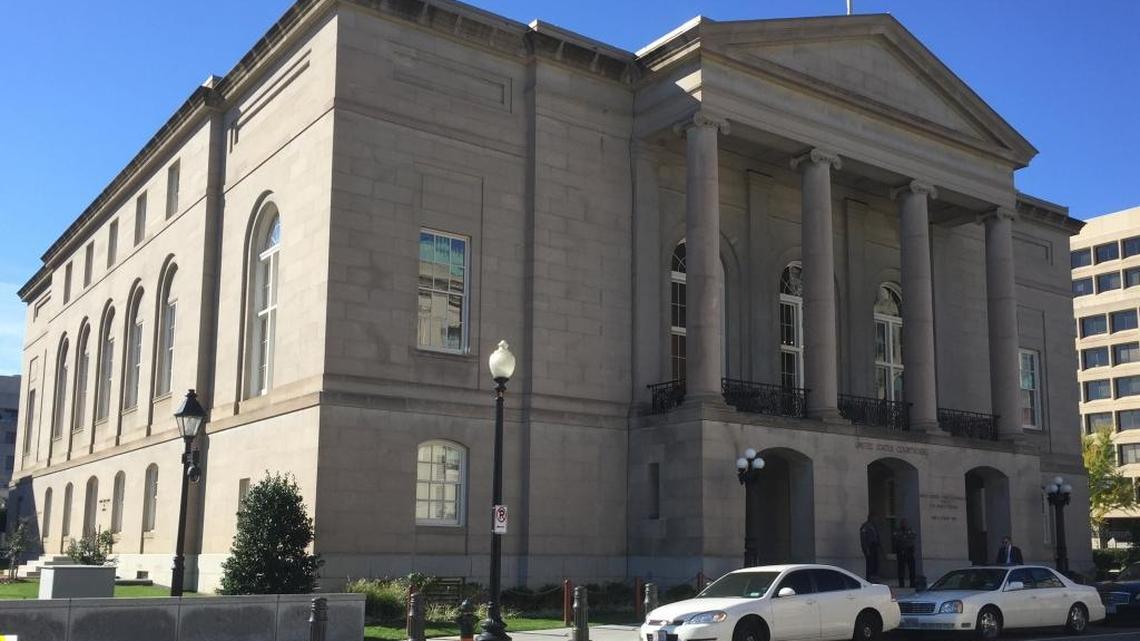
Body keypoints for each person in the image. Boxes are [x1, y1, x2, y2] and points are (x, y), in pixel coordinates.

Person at [892, 519, 918, 588]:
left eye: (905, 523)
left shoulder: (910, 530)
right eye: (902, 523)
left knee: (912, 569)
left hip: (909, 552)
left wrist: (905, 538)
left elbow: (913, 537)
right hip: (901, 552)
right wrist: (904, 538)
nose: (904, 524)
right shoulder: (897, 531)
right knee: (901, 570)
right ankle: (901, 584)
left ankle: (912, 583)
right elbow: (896, 539)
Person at [859, 514, 881, 580]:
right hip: (869, 547)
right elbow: (863, 538)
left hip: (875, 546)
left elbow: (877, 537)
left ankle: (875, 577)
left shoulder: (875, 526)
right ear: (870, 518)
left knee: (875, 563)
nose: (875, 520)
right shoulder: (865, 526)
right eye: (874, 518)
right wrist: (866, 549)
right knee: (870, 564)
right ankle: (869, 578)